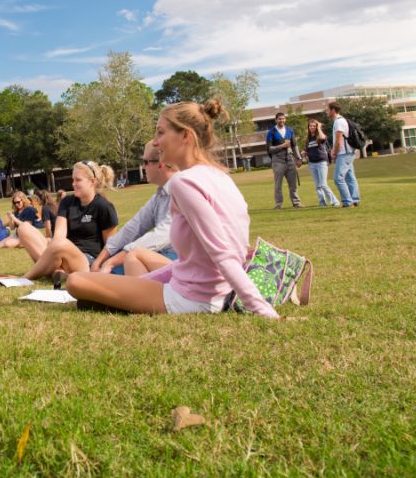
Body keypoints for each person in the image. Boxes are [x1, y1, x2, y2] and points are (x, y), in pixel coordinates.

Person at [65, 100, 280, 317]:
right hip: (207, 288)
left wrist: (262, 309)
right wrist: (137, 286)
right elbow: (209, 255)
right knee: (100, 288)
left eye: (160, 133)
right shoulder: (220, 176)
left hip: (192, 298)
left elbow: (222, 253)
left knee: (75, 281)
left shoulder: (184, 182)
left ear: (185, 136)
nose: (156, 143)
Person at [12, 160, 118, 283]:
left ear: (93, 182)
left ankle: (25, 278)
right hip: (60, 253)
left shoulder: (104, 206)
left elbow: (110, 247)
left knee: (61, 245)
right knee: (24, 228)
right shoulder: (67, 202)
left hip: (86, 261)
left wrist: (100, 267)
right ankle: (58, 271)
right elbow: (59, 235)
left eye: (78, 180)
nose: (73, 184)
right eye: (73, 180)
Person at [91, 141, 177, 277]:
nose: (143, 166)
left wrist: (112, 262)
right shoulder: (160, 195)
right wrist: (100, 260)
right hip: (162, 257)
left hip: (180, 261)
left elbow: (162, 236)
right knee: (106, 274)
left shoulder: (180, 190)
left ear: (160, 164)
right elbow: (133, 228)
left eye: (145, 161)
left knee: (121, 267)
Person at [327, 100, 360, 207]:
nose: (326, 112)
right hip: (348, 152)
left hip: (344, 153)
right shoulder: (341, 120)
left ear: (333, 110)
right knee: (350, 177)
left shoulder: (338, 122)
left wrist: (334, 153)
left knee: (338, 178)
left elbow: (338, 141)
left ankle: (347, 201)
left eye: (327, 110)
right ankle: (355, 199)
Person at [266, 111, 302, 209]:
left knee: (293, 184)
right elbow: (269, 149)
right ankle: (278, 204)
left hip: (290, 159)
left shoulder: (290, 130)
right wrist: (282, 146)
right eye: (279, 119)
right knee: (278, 185)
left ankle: (296, 203)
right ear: (276, 120)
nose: (281, 120)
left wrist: (298, 158)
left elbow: (294, 146)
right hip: (277, 161)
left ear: (285, 119)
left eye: (283, 119)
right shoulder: (271, 132)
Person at [305, 119, 341, 206]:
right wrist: (304, 153)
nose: (312, 127)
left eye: (314, 126)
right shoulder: (308, 139)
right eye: (310, 126)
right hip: (312, 163)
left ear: (317, 127)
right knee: (317, 185)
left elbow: (323, 138)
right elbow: (307, 149)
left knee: (323, 184)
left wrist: (319, 128)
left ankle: (335, 201)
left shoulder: (319, 136)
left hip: (321, 162)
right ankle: (322, 202)